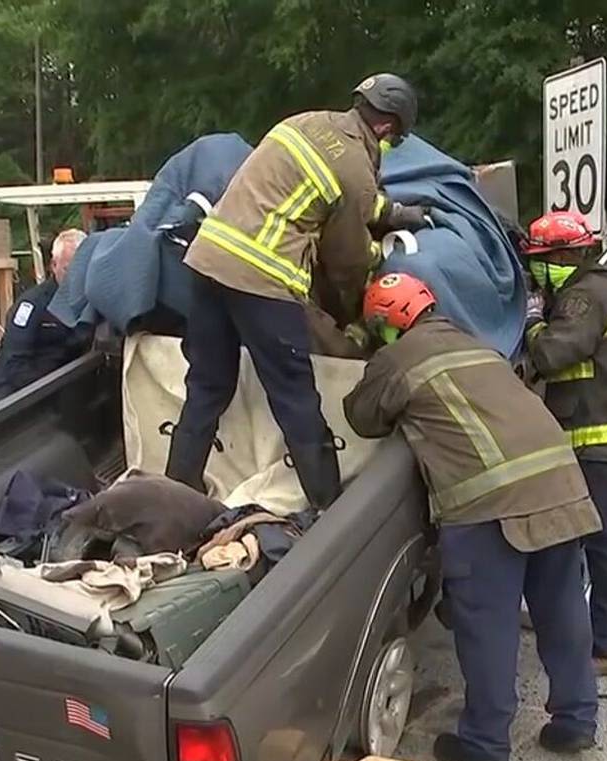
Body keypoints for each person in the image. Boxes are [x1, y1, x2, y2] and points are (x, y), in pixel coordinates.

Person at [343, 272, 601, 761]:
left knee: (488, 625)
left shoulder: (398, 357)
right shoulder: (478, 343)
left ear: (385, 326)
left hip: (491, 503)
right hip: (561, 486)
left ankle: (485, 743)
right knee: (561, 610)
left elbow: (362, 416)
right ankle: (577, 718)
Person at [165, 74, 427, 509]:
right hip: (261, 279)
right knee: (295, 397)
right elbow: (347, 260)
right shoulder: (355, 166)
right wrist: (354, 306)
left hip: (208, 262)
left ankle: (174, 493)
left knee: (208, 386)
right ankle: (327, 507)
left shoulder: (304, 123)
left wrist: (398, 212)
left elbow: (350, 198)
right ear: (386, 128)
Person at [522, 211, 607, 676]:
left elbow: (552, 354)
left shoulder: (582, 296)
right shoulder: (601, 287)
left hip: (601, 442)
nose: (538, 269)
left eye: (541, 260)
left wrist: (534, 321)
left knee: (605, 546)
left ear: (564, 255)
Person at [0, 229, 90, 406]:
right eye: (68, 270)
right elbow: (13, 366)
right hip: (20, 396)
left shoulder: (94, 301)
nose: (76, 278)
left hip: (66, 392)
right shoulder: (32, 306)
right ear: (54, 265)